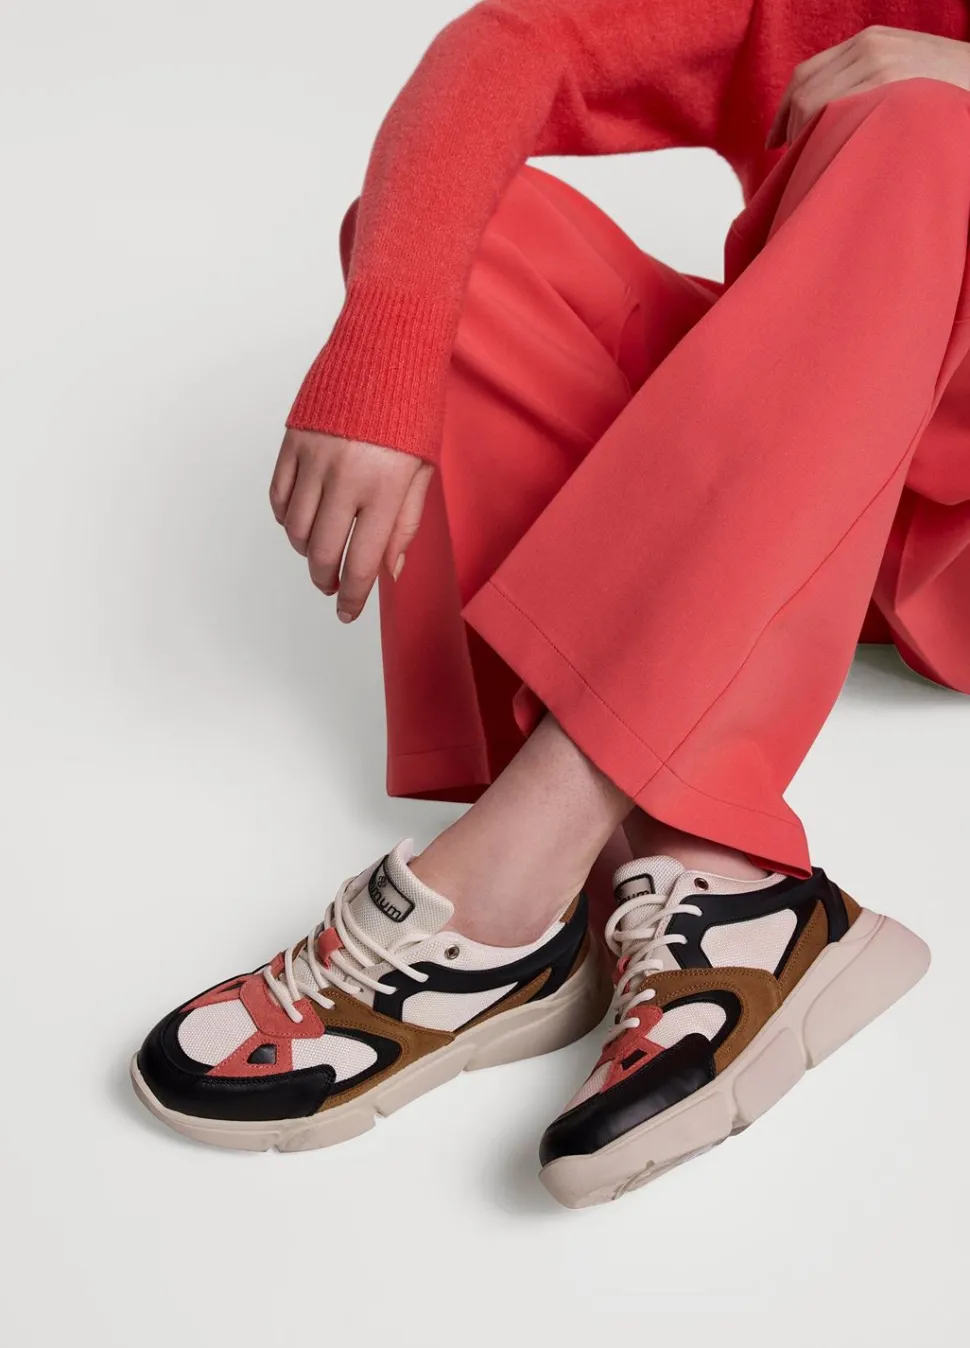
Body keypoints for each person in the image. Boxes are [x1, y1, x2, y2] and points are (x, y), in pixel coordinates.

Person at [130, 3, 970, 1207]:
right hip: (804, 458)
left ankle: (514, 867)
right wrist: (384, 355)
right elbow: (515, 45)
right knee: (451, 235)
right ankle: (716, 880)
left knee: (925, 124)